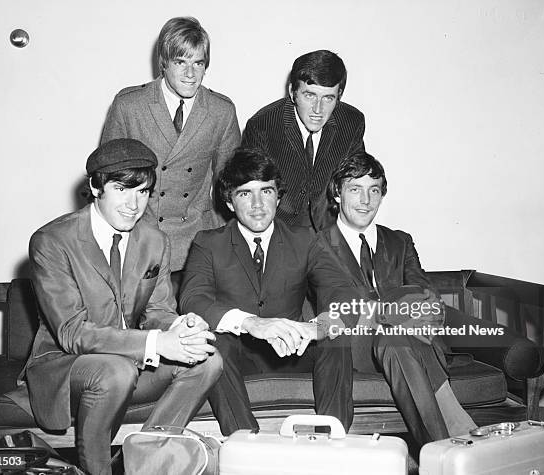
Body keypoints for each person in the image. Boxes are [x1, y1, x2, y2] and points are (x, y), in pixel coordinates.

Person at [18, 139, 222, 474]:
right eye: (122, 189)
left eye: (143, 192)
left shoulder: (155, 240)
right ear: (95, 188)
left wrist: (179, 329)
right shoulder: (52, 241)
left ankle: (144, 461)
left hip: (133, 363)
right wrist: (157, 343)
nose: (133, 204)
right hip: (68, 364)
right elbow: (71, 333)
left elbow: (158, 311)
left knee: (208, 358)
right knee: (116, 370)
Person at [179, 148, 356, 435]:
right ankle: (246, 446)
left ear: (278, 196)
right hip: (238, 356)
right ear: (229, 201)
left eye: (266, 191)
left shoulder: (305, 240)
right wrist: (252, 323)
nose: (258, 204)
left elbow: (344, 293)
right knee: (213, 346)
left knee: (336, 339)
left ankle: (329, 446)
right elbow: (192, 299)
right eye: (245, 194)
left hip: (294, 351)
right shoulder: (208, 243)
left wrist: (315, 328)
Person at [320, 151, 477, 446]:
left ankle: (435, 450)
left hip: (411, 343)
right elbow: (338, 305)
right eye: (355, 189)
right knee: (395, 336)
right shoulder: (317, 244)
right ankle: (450, 436)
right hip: (355, 348)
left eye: (374, 190)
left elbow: (425, 298)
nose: (366, 200)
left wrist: (394, 310)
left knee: (395, 339)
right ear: (337, 195)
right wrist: (394, 310)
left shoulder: (400, 241)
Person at [102, 16, 241, 271]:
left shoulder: (221, 111)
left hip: (196, 242)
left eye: (198, 63)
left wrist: (226, 244)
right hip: (140, 238)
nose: (191, 74)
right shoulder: (129, 106)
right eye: (181, 62)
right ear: (163, 63)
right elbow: (108, 182)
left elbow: (230, 186)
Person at [240, 49, 365, 231]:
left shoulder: (351, 122)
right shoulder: (262, 126)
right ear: (292, 92)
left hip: (331, 231)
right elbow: (250, 194)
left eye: (328, 98)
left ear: (339, 97)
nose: (317, 109)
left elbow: (356, 182)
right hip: (278, 232)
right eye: (309, 96)